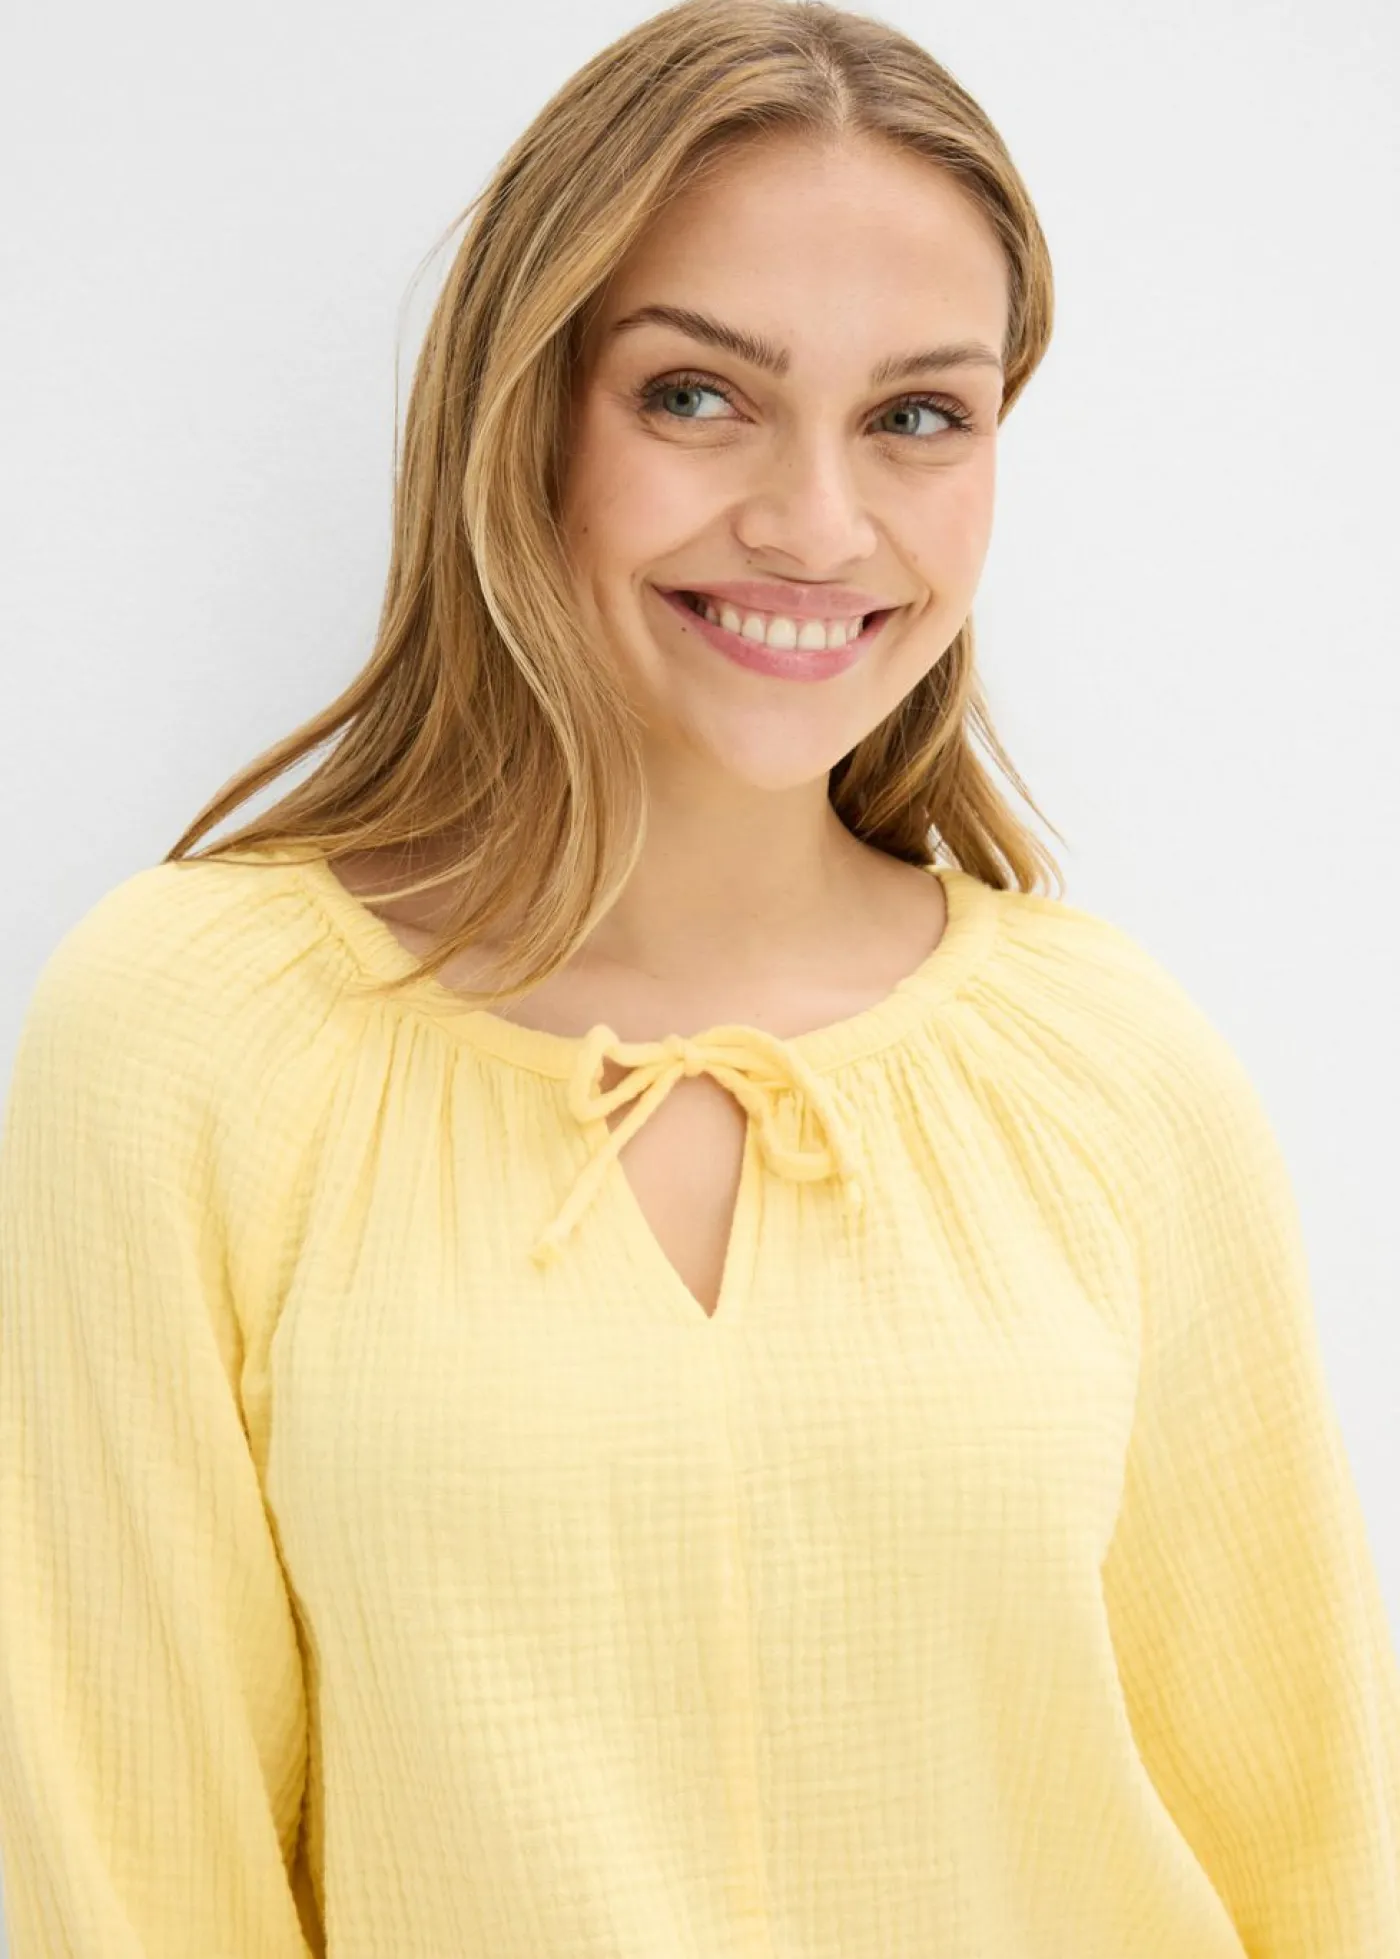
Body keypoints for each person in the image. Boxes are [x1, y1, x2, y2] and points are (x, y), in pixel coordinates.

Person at [1, 0, 1396, 1951]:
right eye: (694, 394)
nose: (816, 523)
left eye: (918, 415)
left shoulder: (1116, 1068)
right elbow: (129, 1870)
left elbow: (1321, 1854)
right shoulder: (190, 1037)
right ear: (524, 411)